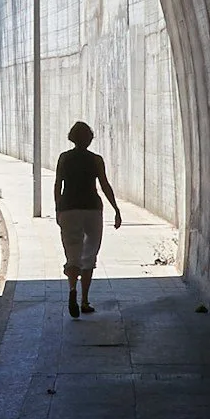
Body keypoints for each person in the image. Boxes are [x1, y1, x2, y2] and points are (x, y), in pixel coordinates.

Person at [53, 121, 121, 317]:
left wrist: (58, 209)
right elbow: (105, 185)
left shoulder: (64, 158)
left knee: (72, 254)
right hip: (92, 209)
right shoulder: (96, 160)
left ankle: (72, 289)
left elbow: (58, 184)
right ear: (89, 139)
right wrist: (116, 209)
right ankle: (84, 301)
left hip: (69, 209)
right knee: (89, 254)